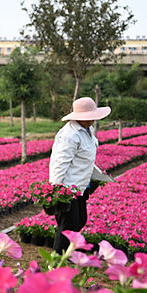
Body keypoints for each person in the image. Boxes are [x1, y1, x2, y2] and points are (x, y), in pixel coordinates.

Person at [47, 97, 114, 253]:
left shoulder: (87, 129)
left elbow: (85, 158)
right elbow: (60, 162)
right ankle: (56, 259)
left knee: (80, 220)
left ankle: (68, 253)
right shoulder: (69, 135)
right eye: (89, 117)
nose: (92, 120)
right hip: (68, 187)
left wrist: (98, 174)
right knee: (68, 226)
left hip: (81, 185)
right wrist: (56, 189)